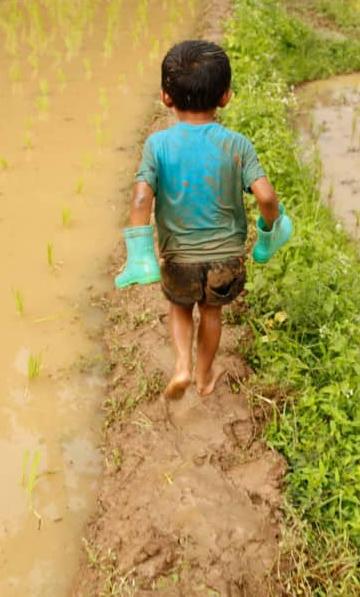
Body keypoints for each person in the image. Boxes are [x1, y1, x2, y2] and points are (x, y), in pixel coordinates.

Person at [115, 40, 293, 400]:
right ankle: (204, 375)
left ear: (166, 96)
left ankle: (181, 365)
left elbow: (140, 196)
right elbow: (267, 197)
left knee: (180, 308)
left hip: (179, 257)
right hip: (226, 260)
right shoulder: (237, 144)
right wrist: (268, 232)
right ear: (225, 96)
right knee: (212, 313)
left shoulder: (158, 145)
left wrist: (140, 255)